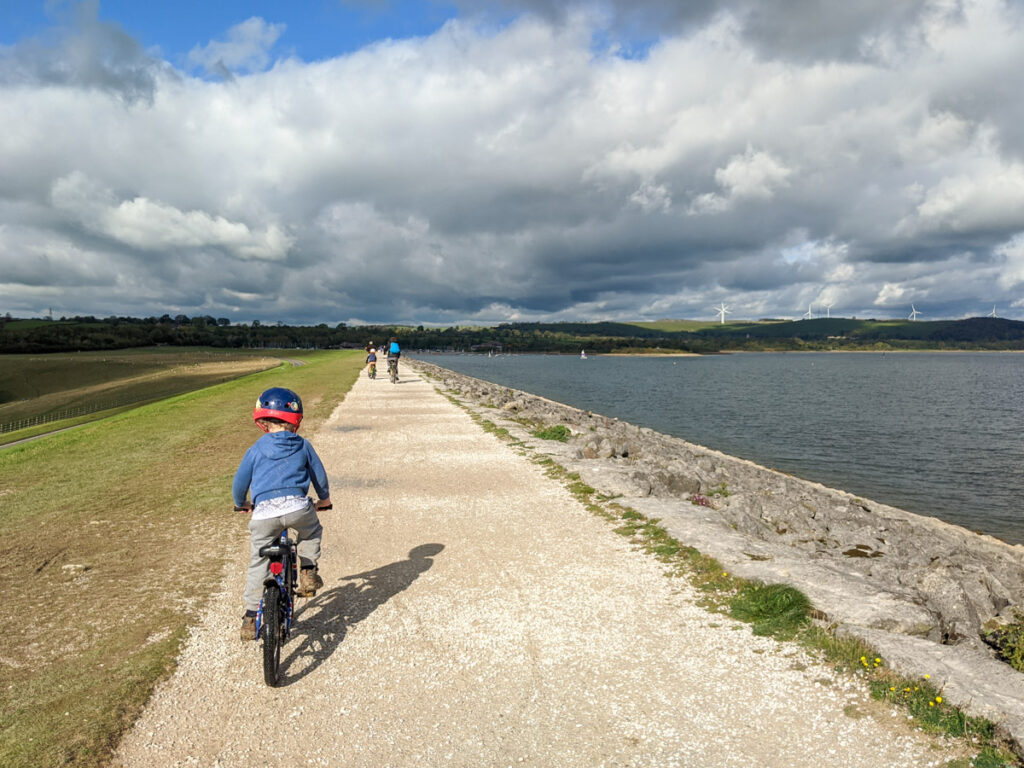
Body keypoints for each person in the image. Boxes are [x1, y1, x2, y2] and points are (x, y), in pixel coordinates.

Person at [232, 386, 331, 641]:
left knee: (258, 561)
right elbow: (318, 475)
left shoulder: (255, 449)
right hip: (298, 507)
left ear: (263, 421)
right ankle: (308, 570)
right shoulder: (303, 445)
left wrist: (241, 503)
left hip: (264, 514)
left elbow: (240, 482)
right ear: (295, 421)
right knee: (311, 531)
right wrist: (324, 499)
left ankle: (250, 617)